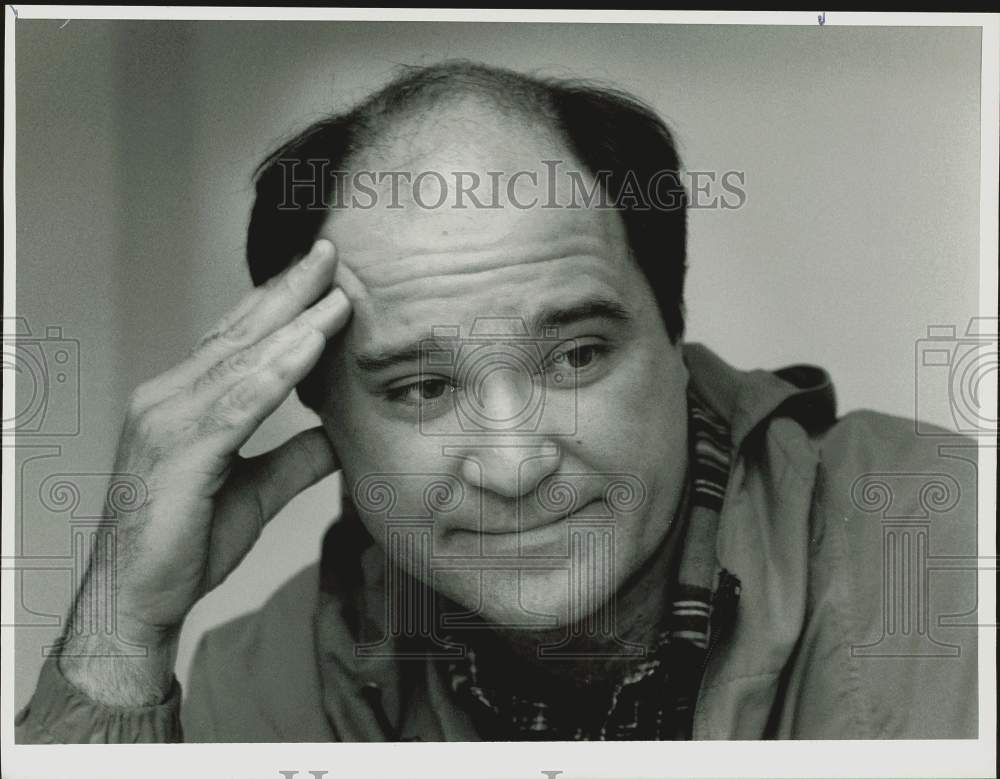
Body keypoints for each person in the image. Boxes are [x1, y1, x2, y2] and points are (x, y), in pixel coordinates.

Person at [16, 60, 978, 743]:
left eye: (576, 357)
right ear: (325, 420)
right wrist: (121, 633)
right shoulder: (262, 692)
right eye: (424, 387)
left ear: (673, 339)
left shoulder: (959, 550)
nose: (515, 462)